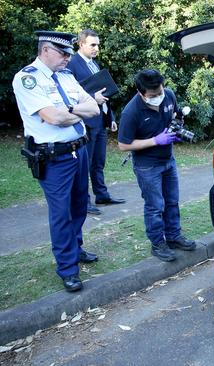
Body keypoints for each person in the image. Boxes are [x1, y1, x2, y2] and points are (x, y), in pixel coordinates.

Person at [12, 31, 100, 291]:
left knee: (79, 206)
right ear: (46, 50)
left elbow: (94, 109)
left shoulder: (67, 76)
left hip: (79, 150)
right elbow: (52, 117)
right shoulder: (27, 78)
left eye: (70, 54)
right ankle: (67, 268)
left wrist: (70, 111)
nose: (68, 59)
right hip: (53, 157)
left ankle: (76, 248)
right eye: (63, 53)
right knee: (61, 213)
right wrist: (75, 112)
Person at [117, 69, 196, 262]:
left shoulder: (168, 95)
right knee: (155, 206)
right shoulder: (131, 111)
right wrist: (155, 140)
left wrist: (177, 127)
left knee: (172, 201)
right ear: (141, 93)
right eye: (153, 96)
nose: (158, 97)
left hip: (168, 160)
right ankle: (157, 244)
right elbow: (123, 145)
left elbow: (176, 116)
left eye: (160, 92)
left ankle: (174, 237)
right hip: (147, 165)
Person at [68, 29, 125, 215]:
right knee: (86, 163)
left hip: (100, 121)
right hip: (85, 121)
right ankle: (83, 202)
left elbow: (104, 93)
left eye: (98, 45)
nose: (96, 48)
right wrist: (93, 97)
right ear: (81, 44)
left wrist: (111, 117)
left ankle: (102, 195)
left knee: (98, 162)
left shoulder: (94, 64)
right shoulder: (72, 64)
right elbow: (70, 97)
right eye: (93, 45)